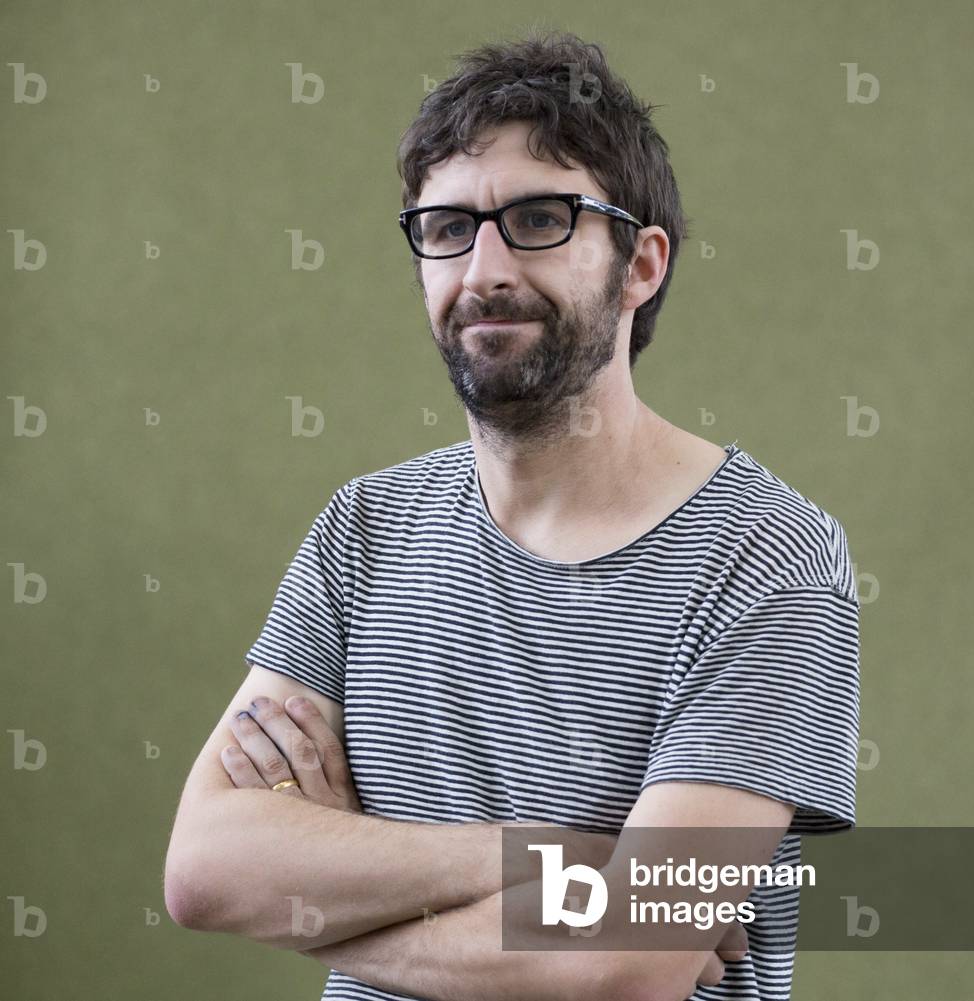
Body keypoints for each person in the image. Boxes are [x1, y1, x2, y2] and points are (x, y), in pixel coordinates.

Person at [165, 29, 860, 1001]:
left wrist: (319, 901)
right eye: (446, 226)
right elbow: (205, 867)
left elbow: (622, 965)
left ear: (640, 264)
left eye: (539, 216)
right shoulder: (364, 527)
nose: (483, 268)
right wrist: (543, 859)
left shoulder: (768, 554)